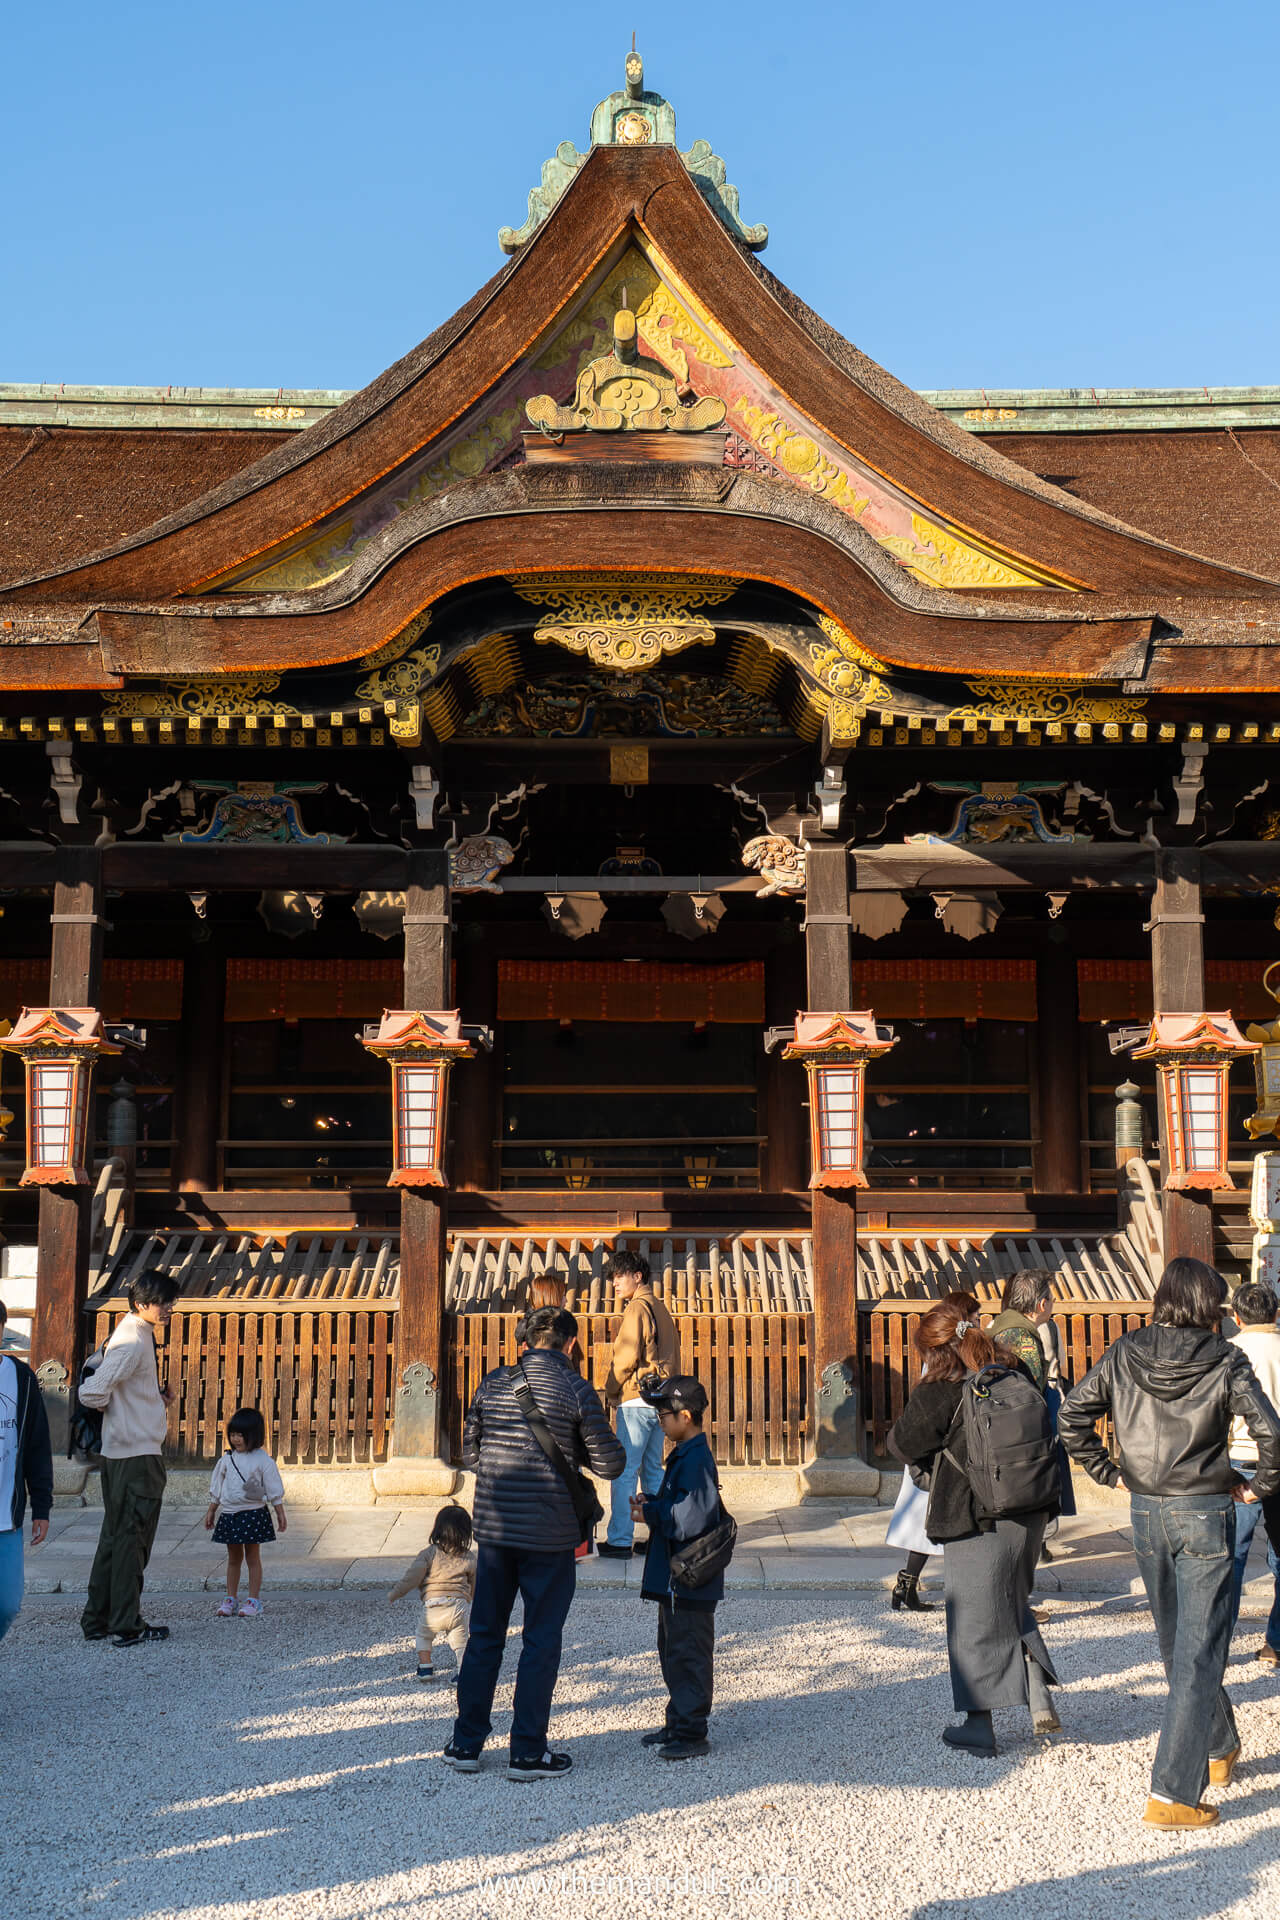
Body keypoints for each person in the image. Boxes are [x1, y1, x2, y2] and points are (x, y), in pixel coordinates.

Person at [1060, 1257, 1280, 1830]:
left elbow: (1072, 1418)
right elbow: (1272, 1437)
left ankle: (1219, 1745)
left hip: (1148, 1511)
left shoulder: (1124, 1350)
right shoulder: (1225, 1359)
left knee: (1177, 1643)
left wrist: (1109, 1472)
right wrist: (1256, 1487)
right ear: (1209, 1305)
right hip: (1205, 1509)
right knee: (1197, 1647)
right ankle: (1174, 1793)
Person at [445, 1304, 625, 1779]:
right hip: (549, 1534)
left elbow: (470, 1453)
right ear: (569, 1344)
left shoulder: (492, 1382)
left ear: (524, 1341)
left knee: (484, 1636)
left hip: (496, 1529)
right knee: (540, 1641)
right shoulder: (575, 1388)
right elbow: (610, 1465)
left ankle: (465, 1743)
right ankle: (527, 1750)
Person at [888, 1297, 1060, 1757]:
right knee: (1010, 1598)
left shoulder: (940, 1389)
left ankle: (978, 1724)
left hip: (974, 1513)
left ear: (933, 1351)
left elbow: (903, 1444)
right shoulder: (1011, 1371)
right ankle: (1037, 1691)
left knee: (970, 1618)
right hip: (1031, 1508)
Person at [79, 1268, 182, 1649]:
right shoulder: (133, 1340)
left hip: (123, 1452)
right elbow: (93, 1392)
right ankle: (126, 1623)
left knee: (115, 1537)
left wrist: (152, 1400)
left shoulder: (132, 1333)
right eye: (163, 1302)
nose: (169, 1307)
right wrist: (120, 1416)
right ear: (142, 1304)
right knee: (132, 1540)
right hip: (135, 1454)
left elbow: (113, 1389)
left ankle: (98, 1619)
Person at [634, 1375, 723, 1760]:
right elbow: (682, 1505)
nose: (660, 1421)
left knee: (688, 1652)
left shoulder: (696, 1458)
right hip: (679, 1578)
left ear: (685, 1416)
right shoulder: (687, 1453)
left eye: (663, 1414)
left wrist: (653, 1511)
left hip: (691, 1578)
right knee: (672, 1649)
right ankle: (678, 1720)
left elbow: (695, 1516)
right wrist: (653, 1502)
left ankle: (691, 1731)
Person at [884, 1289, 980, 1615]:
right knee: (943, 1525)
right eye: (974, 1318)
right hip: (953, 1466)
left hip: (934, 1462)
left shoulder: (941, 1370)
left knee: (926, 1525)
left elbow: (903, 1440)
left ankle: (908, 1583)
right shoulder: (963, 1370)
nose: (979, 1323)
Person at [598, 1249, 678, 1559]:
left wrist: (611, 1388)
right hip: (659, 1400)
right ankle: (659, 1537)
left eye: (619, 1276)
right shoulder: (660, 1308)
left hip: (635, 1397)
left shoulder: (635, 1310)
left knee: (625, 1472)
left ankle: (619, 1540)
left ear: (637, 1276)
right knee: (654, 1472)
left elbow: (627, 1358)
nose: (614, 1283)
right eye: (612, 1278)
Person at [1224, 1282, 1280, 1662]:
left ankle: (1218, 1643)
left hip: (1241, 1457)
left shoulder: (1230, 1353)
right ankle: (1276, 1643)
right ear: (1276, 1313)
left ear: (1236, 1316)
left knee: (1231, 1556)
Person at [0, 1299, 52, 1642]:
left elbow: (36, 1444)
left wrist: (42, 1506)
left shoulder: (20, 1376)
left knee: (8, 1604)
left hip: (6, 1514)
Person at [203, 1407, 287, 1618]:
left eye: (241, 1435)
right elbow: (217, 1487)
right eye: (233, 1434)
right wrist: (212, 1510)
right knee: (232, 1558)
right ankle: (230, 1598)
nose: (236, 1439)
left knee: (252, 1557)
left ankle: (254, 1599)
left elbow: (273, 1487)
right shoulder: (226, 1459)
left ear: (254, 1436)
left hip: (253, 1512)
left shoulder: (263, 1460)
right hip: (230, 1513)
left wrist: (280, 1512)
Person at [388, 1502, 476, 1681]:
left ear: (437, 1529)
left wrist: (395, 1593)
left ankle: (426, 1667)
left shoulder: (429, 1553)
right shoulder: (469, 1556)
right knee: (461, 1641)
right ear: (467, 1532)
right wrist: (471, 1600)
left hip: (433, 1605)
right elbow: (475, 1583)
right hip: (458, 1605)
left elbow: (412, 1577)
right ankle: (462, 1673)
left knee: (423, 1635)